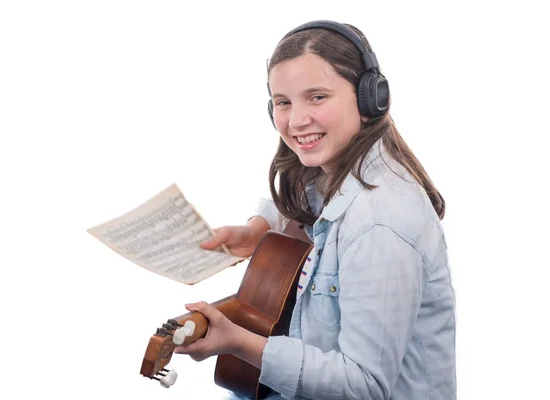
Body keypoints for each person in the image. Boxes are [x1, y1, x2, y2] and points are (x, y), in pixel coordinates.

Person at [174, 20, 456, 399]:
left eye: (317, 97)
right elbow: (314, 203)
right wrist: (260, 228)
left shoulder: (380, 223)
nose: (296, 120)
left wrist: (239, 343)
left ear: (370, 99)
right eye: (283, 102)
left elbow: (364, 386)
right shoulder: (336, 173)